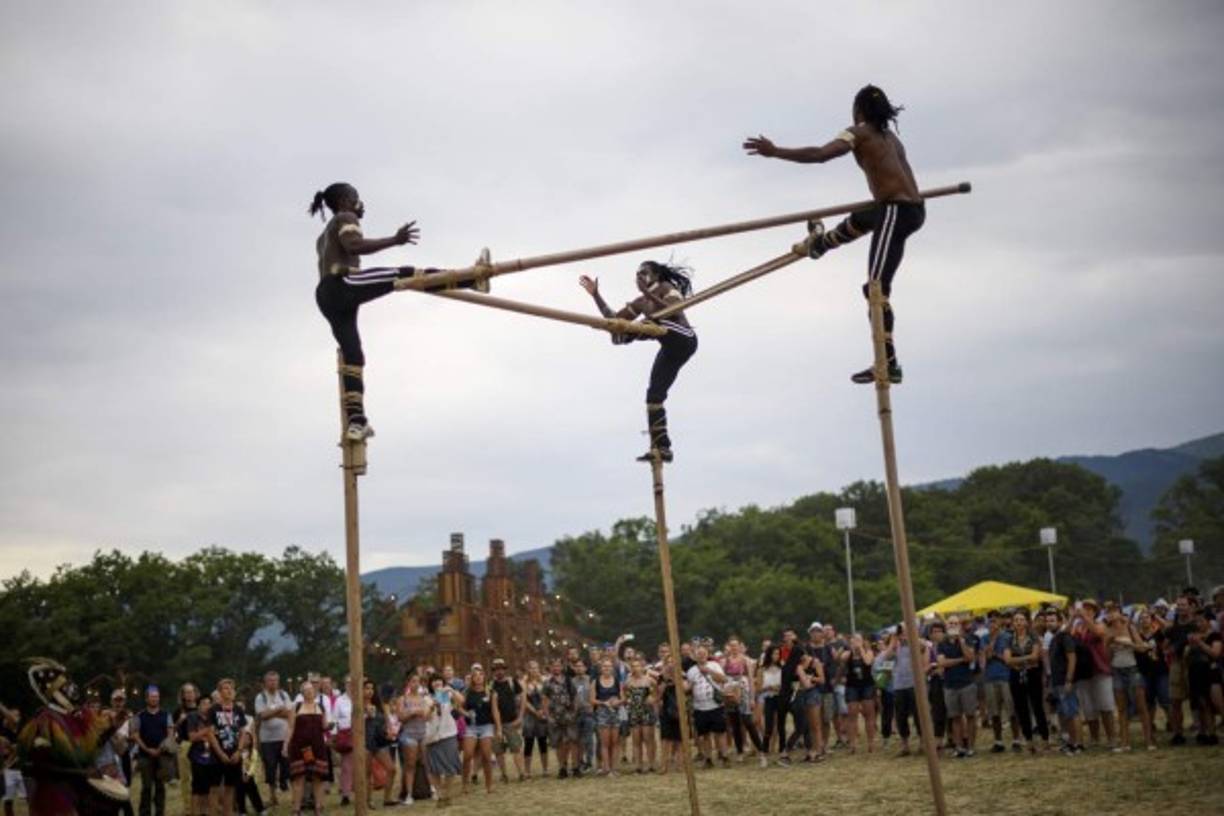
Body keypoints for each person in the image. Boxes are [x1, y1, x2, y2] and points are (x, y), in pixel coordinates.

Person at [744, 84, 924, 384]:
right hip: (908, 210)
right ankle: (822, 243)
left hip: (895, 211)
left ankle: (887, 362)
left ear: (859, 110)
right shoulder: (891, 138)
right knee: (864, 217)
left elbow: (820, 155)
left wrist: (776, 152)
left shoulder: (858, 132)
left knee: (875, 289)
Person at [310, 182, 485, 443]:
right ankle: (471, 280)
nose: (361, 204)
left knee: (353, 356)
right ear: (345, 201)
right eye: (356, 198)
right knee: (404, 275)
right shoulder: (345, 218)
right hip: (342, 284)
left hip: (327, 297)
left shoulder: (322, 237)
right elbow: (354, 245)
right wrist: (395, 240)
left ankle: (356, 422)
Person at [579, 261, 698, 462]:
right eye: (637, 274)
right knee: (653, 396)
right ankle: (662, 448)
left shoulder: (666, 288)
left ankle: (626, 335)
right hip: (668, 347)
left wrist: (649, 295)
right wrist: (596, 295)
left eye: (644, 273)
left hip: (682, 337)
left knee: (649, 323)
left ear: (656, 275)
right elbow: (616, 318)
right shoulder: (641, 301)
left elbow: (673, 310)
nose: (639, 277)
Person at [1105, 604, 1155, 751]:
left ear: (1121, 614)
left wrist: (1128, 643)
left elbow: (1141, 648)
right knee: (1121, 709)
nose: (1112, 615)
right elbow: (1107, 657)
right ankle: (1124, 743)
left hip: (1133, 669)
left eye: (1114, 612)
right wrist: (1109, 643)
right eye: (1109, 613)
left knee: (1141, 706)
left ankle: (1149, 741)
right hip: (1117, 670)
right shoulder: (1108, 631)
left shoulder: (1130, 628)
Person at [1072, 600, 1119, 750]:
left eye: (1089, 609)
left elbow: (1098, 633)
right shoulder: (1077, 627)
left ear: (1095, 611)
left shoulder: (1100, 624)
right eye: (1084, 608)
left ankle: (1112, 738)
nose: (1086, 611)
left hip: (1100, 669)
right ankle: (1094, 738)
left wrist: (1085, 618)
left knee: (1105, 705)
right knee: (1088, 707)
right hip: (1083, 672)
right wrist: (1073, 618)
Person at [1004, 610, 1050, 753]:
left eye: (1021, 619)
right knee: (1021, 708)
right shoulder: (1009, 639)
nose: (1018, 622)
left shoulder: (1033, 637)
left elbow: (1036, 657)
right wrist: (1026, 659)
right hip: (1016, 676)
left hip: (1033, 675)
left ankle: (1044, 739)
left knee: (1037, 707)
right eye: (1016, 620)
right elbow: (1007, 660)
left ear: (1026, 622)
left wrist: (1017, 661)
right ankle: (1029, 740)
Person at [206, 679, 250, 816]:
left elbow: (243, 732)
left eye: (231, 688)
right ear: (219, 692)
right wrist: (220, 753)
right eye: (225, 688)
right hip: (217, 754)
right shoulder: (213, 710)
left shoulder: (238, 709)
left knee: (230, 788)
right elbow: (210, 734)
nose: (229, 690)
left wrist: (239, 751)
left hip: (234, 753)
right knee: (214, 788)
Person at [937, 616, 979, 758]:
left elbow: (970, 657)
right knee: (955, 717)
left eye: (956, 623)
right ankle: (959, 747)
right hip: (950, 685)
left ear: (960, 626)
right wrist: (961, 660)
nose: (953, 625)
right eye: (950, 623)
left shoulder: (967, 639)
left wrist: (960, 641)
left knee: (970, 715)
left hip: (967, 683)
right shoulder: (942, 643)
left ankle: (971, 747)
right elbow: (942, 663)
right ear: (946, 626)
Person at [980, 610, 1019, 753]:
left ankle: (1016, 740)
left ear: (1000, 621)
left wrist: (995, 654)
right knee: (994, 711)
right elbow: (984, 659)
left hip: (1006, 677)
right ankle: (998, 741)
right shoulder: (984, 638)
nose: (993, 623)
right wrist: (991, 646)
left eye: (995, 620)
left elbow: (1008, 659)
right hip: (990, 677)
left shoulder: (1008, 637)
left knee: (1012, 710)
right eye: (990, 620)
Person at [131, 685, 174, 816]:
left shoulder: (166, 715)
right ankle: (144, 813)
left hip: (162, 756)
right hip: (145, 755)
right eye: (152, 697)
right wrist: (147, 749)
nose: (155, 699)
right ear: (147, 699)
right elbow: (135, 735)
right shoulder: (139, 716)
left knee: (160, 787)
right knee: (146, 787)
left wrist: (160, 749)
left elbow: (170, 733)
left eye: (157, 697)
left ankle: (160, 812)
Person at [686, 645, 730, 767]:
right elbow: (688, 689)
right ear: (695, 656)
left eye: (703, 653)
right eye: (699, 654)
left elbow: (724, 679)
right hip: (699, 707)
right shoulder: (691, 671)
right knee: (704, 735)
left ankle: (724, 757)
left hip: (715, 705)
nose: (701, 655)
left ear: (707, 654)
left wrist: (709, 671)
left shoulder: (714, 665)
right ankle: (708, 759)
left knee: (720, 732)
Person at [1048, 609, 1085, 755]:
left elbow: (1072, 658)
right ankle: (1072, 742)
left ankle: (1078, 744)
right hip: (1058, 681)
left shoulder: (1065, 637)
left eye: (1052, 620)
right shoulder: (1055, 638)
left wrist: (1069, 680)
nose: (1049, 623)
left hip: (1065, 680)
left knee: (1073, 712)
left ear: (1060, 622)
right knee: (1066, 712)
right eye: (1047, 621)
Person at [425, 675, 463, 808]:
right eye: (434, 681)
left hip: (449, 733)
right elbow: (425, 717)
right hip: (433, 736)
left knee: (451, 767)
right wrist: (432, 706)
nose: (437, 683)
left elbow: (461, 701)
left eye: (439, 681)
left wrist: (451, 690)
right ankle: (440, 794)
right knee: (434, 768)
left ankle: (447, 793)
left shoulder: (447, 695)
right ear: (430, 684)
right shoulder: (426, 698)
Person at [253, 671, 291, 807]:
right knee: (270, 768)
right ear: (265, 682)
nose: (273, 683)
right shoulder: (260, 697)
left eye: (275, 680)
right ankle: (272, 796)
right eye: (270, 680)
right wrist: (279, 710)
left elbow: (289, 713)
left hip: (284, 737)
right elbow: (262, 715)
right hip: (267, 739)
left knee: (286, 765)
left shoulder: (284, 694)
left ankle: (283, 783)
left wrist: (272, 712)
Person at [395, 669, 430, 803]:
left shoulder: (423, 699)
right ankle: (409, 794)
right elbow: (400, 717)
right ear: (408, 683)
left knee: (426, 762)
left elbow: (427, 717)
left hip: (422, 732)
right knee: (410, 764)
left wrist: (428, 711)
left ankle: (431, 788)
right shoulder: (402, 699)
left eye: (418, 682)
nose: (416, 684)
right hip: (409, 734)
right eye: (413, 681)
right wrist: (413, 712)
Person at [458, 667, 495, 794]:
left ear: (484, 677)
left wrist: (499, 728)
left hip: (486, 726)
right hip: (471, 727)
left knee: (486, 756)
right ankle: (465, 784)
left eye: (481, 675)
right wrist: (466, 714)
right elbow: (458, 707)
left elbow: (495, 711)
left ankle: (489, 785)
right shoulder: (467, 692)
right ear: (472, 679)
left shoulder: (490, 692)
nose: (478, 677)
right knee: (467, 755)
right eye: (475, 675)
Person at [541, 659, 580, 779]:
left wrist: (575, 712)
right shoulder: (547, 683)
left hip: (569, 715)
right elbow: (545, 700)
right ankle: (562, 768)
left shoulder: (569, 681)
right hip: (555, 717)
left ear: (562, 667)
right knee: (559, 744)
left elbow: (575, 697)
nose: (556, 668)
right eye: (554, 666)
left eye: (558, 665)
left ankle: (575, 767)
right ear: (551, 668)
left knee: (573, 742)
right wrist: (548, 716)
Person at [362, 680, 398, 808]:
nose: (369, 691)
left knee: (392, 769)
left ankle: (387, 799)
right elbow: (353, 724)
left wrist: (389, 731)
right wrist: (365, 715)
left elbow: (386, 721)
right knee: (366, 773)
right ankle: (367, 801)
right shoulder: (357, 705)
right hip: (365, 742)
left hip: (379, 741)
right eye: (366, 688)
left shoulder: (378, 704)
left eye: (371, 688)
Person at [489, 658, 526, 784]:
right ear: (494, 671)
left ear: (505, 670)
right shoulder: (490, 685)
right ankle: (504, 774)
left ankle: (521, 773)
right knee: (498, 751)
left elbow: (522, 699)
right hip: (495, 723)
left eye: (501, 669)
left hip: (511, 722)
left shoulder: (512, 682)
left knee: (516, 747)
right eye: (496, 669)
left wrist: (520, 716)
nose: (499, 671)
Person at [842, 634, 877, 754]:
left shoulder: (868, 652)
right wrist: (852, 650)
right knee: (852, 715)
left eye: (858, 640)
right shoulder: (848, 654)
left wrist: (861, 648)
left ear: (863, 641)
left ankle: (871, 742)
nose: (855, 642)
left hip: (867, 685)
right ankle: (853, 744)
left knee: (869, 714)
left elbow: (868, 662)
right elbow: (841, 659)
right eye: (853, 640)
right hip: (852, 686)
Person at [181, 695, 215, 816]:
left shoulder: (214, 717)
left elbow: (215, 736)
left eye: (209, 703)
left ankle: (205, 812)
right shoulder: (193, 716)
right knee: (197, 787)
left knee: (208, 787)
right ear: (199, 705)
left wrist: (204, 734)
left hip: (212, 756)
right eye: (203, 703)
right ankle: (194, 812)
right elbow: (192, 737)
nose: (206, 706)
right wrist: (207, 731)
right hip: (197, 756)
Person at [623, 657, 658, 773]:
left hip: (647, 711)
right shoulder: (628, 681)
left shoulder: (649, 680)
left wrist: (653, 698)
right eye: (633, 666)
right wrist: (626, 700)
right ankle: (638, 765)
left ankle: (651, 763)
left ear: (642, 667)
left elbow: (658, 691)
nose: (636, 668)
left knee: (648, 738)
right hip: (634, 711)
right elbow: (624, 693)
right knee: (636, 739)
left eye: (638, 666)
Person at [521, 661, 550, 779]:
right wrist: (535, 711)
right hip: (529, 715)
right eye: (532, 668)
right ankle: (527, 770)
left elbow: (547, 697)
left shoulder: (544, 682)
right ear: (528, 669)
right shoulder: (524, 683)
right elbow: (524, 701)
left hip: (542, 713)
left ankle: (545, 769)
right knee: (529, 743)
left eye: (536, 668)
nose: (534, 670)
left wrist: (543, 710)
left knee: (543, 742)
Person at [756, 644, 783, 766]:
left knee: (778, 726)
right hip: (768, 698)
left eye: (777, 653)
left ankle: (774, 751)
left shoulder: (782, 668)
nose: (775, 656)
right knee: (769, 727)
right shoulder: (762, 670)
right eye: (773, 653)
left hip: (780, 698)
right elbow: (758, 688)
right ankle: (763, 752)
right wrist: (769, 687)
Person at [0, 703, 25, 816]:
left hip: (16, 768)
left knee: (18, 800)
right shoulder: (3, 730)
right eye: (14, 715)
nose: (16, 718)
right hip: (7, 768)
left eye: (18, 716)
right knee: (8, 801)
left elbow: (16, 752)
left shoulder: (19, 730)